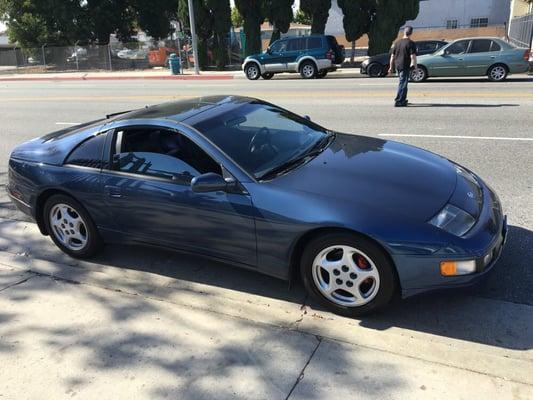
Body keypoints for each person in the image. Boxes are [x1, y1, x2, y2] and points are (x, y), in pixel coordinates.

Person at [389, 26, 417, 107]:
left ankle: (403, 99)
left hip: (397, 66)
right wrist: (416, 68)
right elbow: (413, 57)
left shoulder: (397, 43)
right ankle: (399, 101)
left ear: (404, 32)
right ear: (411, 33)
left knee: (403, 83)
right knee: (403, 83)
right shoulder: (411, 43)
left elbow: (392, 56)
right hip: (404, 66)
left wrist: (391, 67)